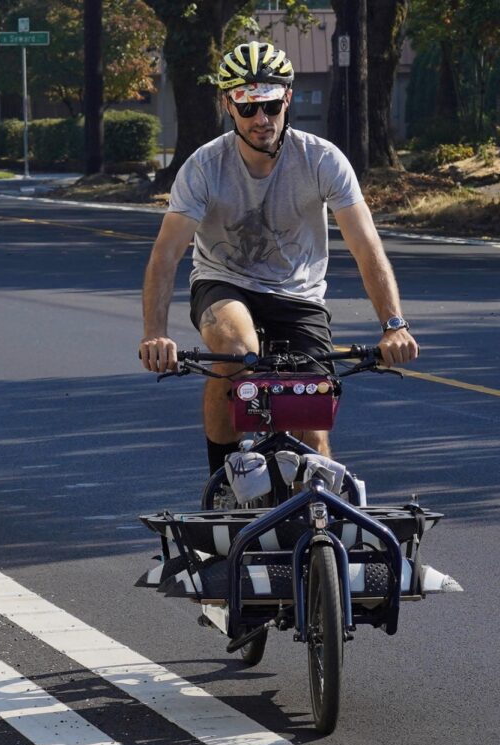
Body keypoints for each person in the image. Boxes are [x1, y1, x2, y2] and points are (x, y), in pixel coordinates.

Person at [138, 41, 419, 476]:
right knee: (236, 352)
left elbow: (366, 248)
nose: (261, 120)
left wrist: (394, 325)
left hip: (298, 293)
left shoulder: (322, 159)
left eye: (270, 105)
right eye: (247, 108)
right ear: (227, 104)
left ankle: (319, 522)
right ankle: (224, 477)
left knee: (314, 429)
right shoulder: (203, 167)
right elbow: (166, 255)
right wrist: (155, 334)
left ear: (287, 98)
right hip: (225, 282)